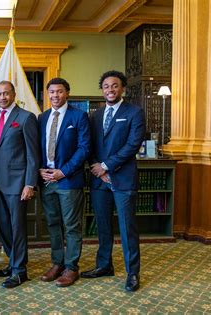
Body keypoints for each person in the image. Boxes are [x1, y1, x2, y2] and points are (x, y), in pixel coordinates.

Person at [81, 70, 146, 292]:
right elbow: (89, 146)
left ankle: (133, 273)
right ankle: (104, 265)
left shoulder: (134, 113)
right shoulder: (95, 116)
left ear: (122, 89)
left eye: (115, 85)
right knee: (103, 226)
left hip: (123, 179)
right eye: (106, 86)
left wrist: (107, 166)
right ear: (102, 89)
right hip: (100, 181)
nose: (110, 89)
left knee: (127, 228)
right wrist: (98, 169)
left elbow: (132, 145)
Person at [37, 78, 90, 287]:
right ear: (47, 94)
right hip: (47, 181)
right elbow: (36, 146)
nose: (55, 96)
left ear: (67, 93)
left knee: (71, 226)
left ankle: (71, 267)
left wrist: (63, 172)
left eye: (59, 92)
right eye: (51, 92)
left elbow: (84, 148)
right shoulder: (42, 118)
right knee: (53, 224)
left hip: (68, 181)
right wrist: (39, 169)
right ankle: (57, 263)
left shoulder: (79, 116)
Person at [0, 80, 40, 289]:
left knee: (17, 228)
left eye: (6, 93)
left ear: (13, 94)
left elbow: (33, 154)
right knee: (4, 227)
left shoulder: (26, 118)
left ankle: (20, 271)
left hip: (18, 184)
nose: (2, 97)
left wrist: (30, 183)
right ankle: (13, 263)